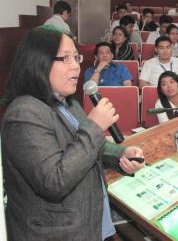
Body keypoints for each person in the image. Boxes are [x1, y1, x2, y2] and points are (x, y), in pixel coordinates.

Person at [1, 27, 145, 240]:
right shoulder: (24, 113)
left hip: (90, 220)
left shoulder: (69, 104)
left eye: (76, 57)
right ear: (38, 61)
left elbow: (93, 146)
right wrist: (95, 126)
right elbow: (54, 180)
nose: (76, 65)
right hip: (58, 232)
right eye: (65, 58)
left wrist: (121, 154)